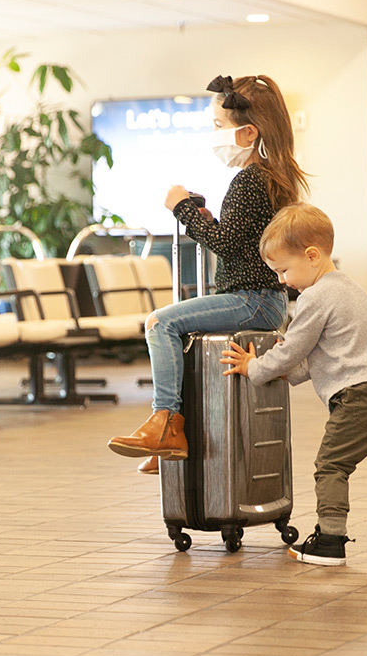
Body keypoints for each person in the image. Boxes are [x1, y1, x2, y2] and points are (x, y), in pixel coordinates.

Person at [220, 203, 367, 566]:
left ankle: (330, 540)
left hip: (362, 395)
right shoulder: (347, 288)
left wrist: (255, 367)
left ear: (312, 256)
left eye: (284, 270)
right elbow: (320, 356)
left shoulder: (315, 297)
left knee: (331, 465)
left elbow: (292, 350)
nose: (283, 280)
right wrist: (291, 374)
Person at [108, 74, 309, 473]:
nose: (213, 134)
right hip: (263, 299)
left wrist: (181, 207)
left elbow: (227, 245)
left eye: (219, 127)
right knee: (174, 329)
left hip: (251, 300)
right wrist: (208, 220)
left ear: (248, 132)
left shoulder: (250, 178)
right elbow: (243, 238)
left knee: (159, 323)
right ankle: (172, 434)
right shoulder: (274, 176)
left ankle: (165, 422)